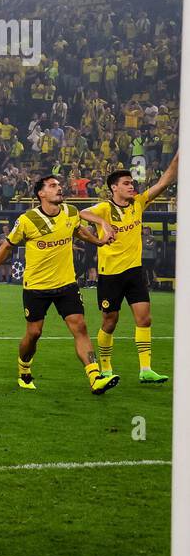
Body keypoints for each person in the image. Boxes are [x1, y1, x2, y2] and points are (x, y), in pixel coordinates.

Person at [0, 176, 118, 394]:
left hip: (67, 284)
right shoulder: (27, 220)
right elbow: (6, 247)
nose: (59, 188)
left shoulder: (70, 212)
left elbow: (77, 229)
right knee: (34, 333)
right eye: (53, 186)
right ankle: (24, 367)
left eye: (59, 185)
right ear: (41, 194)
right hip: (36, 287)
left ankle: (95, 376)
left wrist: (98, 242)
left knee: (80, 327)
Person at [84, 151, 178, 384]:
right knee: (110, 321)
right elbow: (80, 213)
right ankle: (105, 368)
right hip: (110, 274)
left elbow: (165, 181)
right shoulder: (104, 208)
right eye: (126, 183)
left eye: (132, 182)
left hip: (134, 272)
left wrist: (179, 154)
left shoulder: (138, 203)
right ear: (114, 188)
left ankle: (145, 369)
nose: (131, 186)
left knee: (144, 319)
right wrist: (102, 222)